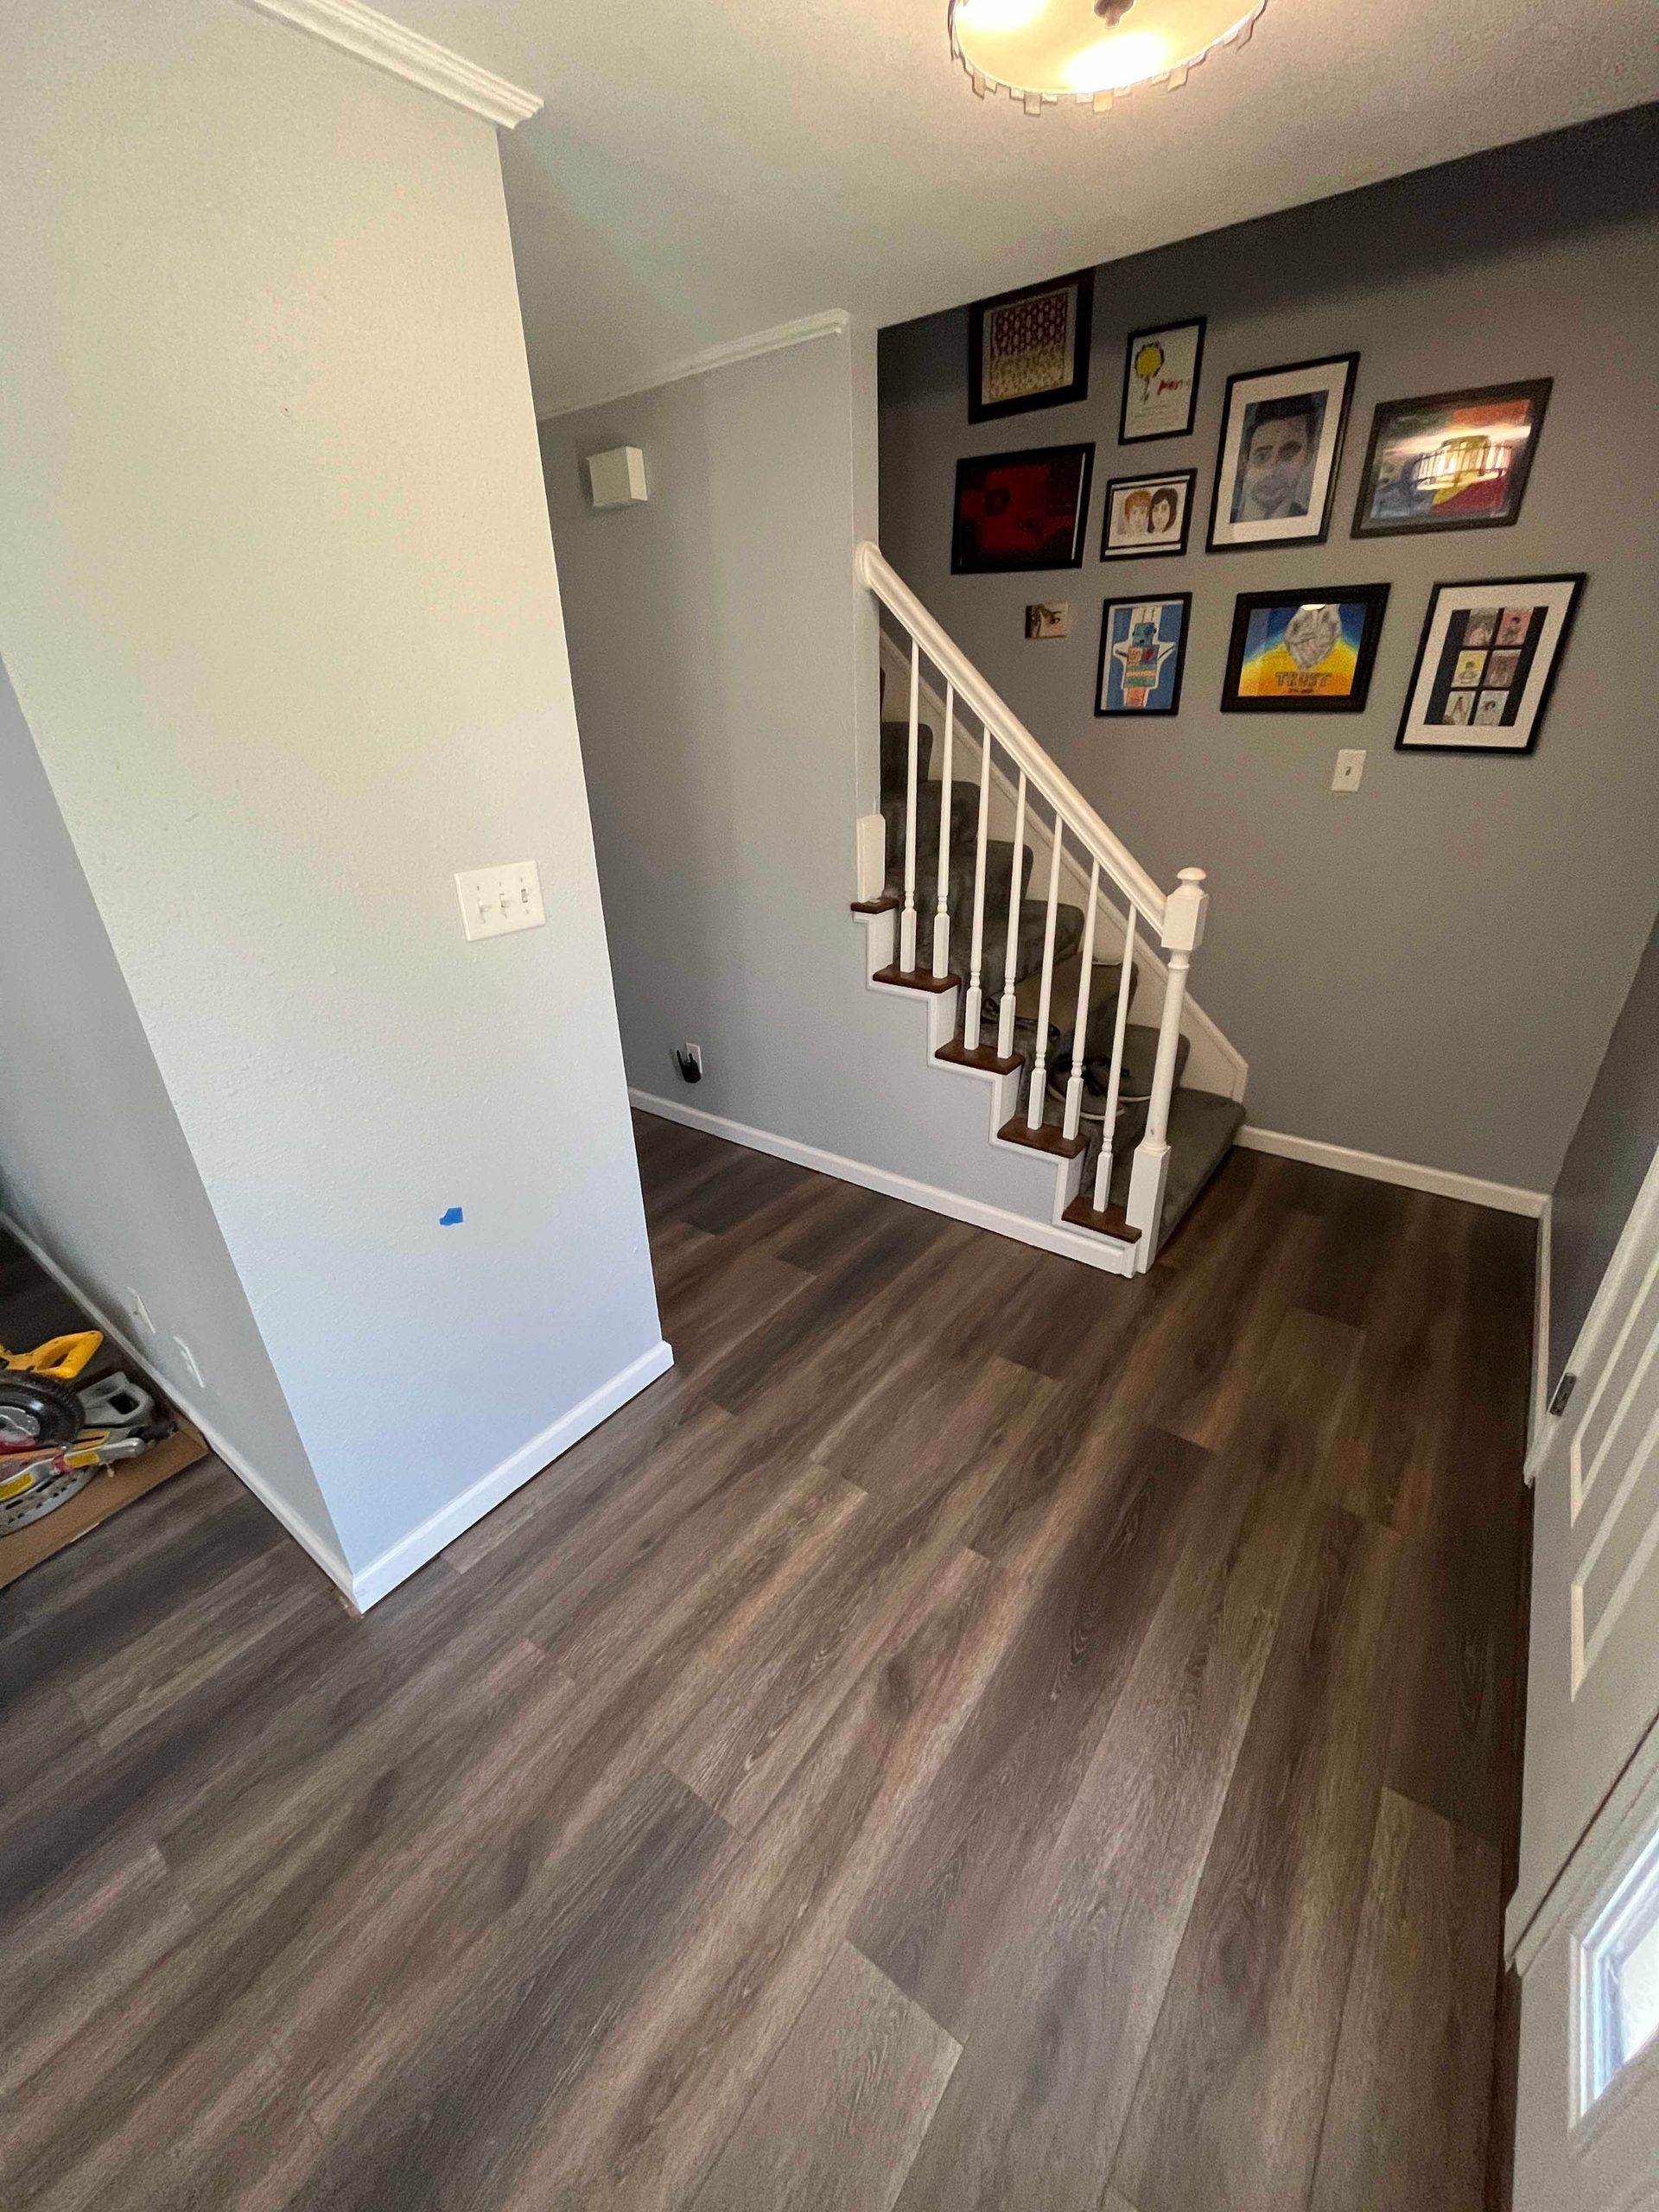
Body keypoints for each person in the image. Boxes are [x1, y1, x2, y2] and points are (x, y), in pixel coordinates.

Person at [1233, 394, 1321, 522]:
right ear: (1243, 464)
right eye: (1262, 457)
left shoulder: (1310, 522)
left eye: (1288, 455)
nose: (1272, 470)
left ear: (1307, 456)